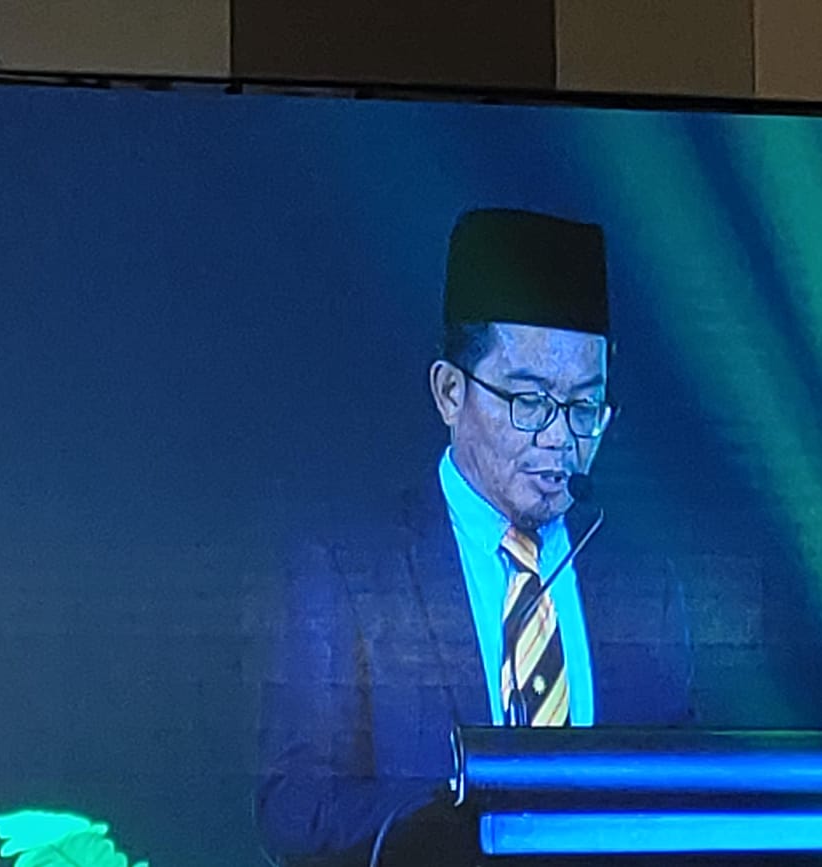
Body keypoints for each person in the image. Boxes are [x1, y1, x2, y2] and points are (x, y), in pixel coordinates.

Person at [256, 209, 693, 866]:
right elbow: (294, 807)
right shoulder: (350, 572)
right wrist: (459, 819)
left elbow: (685, 793)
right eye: (528, 401)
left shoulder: (645, 589)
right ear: (450, 393)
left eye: (583, 408)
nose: (559, 438)